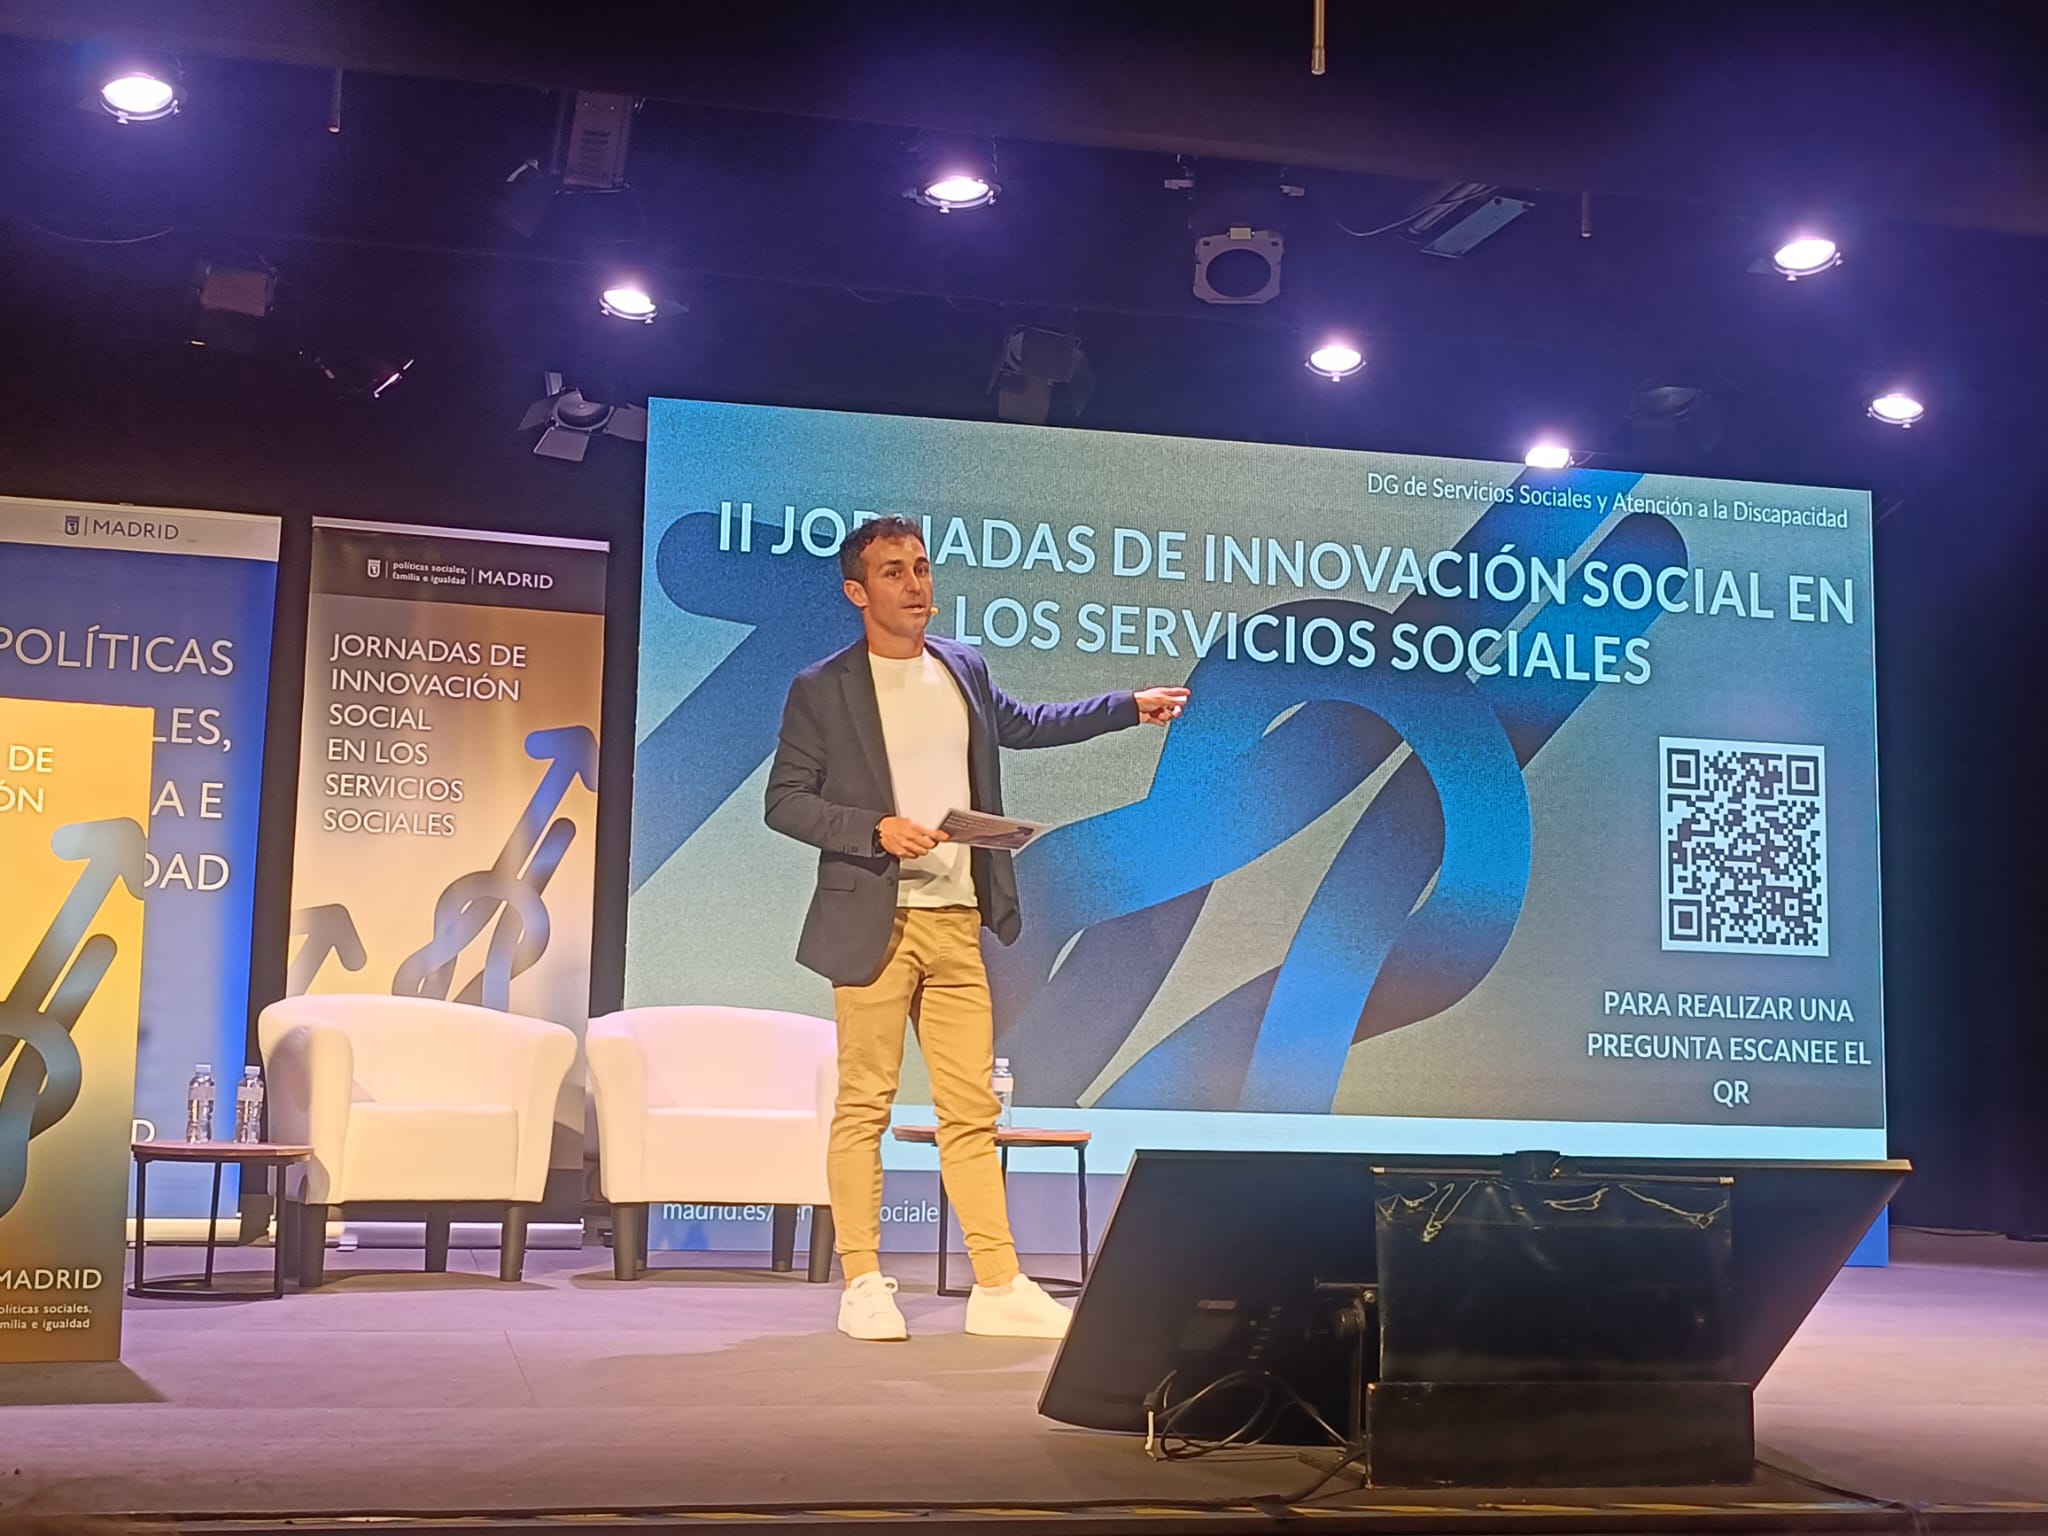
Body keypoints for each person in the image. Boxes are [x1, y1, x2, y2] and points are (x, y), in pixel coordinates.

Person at [765, 515, 1188, 1341]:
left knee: (971, 1111)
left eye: (921, 567)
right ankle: (863, 1281)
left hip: (957, 918)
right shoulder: (822, 688)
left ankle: (997, 1284)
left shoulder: (961, 665)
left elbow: (1025, 725)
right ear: (857, 592)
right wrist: (874, 829)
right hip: (873, 920)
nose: (915, 584)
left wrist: (1127, 708)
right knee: (865, 1105)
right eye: (893, 571)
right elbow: (785, 801)